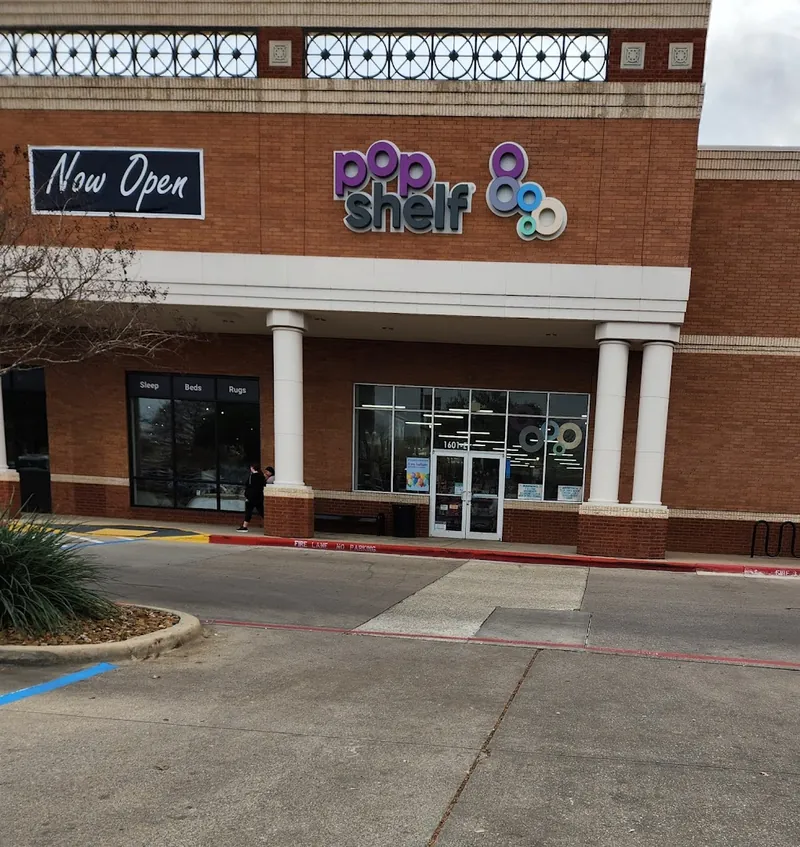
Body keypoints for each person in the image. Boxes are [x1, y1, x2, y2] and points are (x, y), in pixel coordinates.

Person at [237, 462, 267, 532]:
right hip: (259, 497)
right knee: (262, 511)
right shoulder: (261, 476)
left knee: (248, 512)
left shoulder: (251, 476)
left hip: (251, 497)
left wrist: (247, 495)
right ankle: (270, 524)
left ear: (252, 468)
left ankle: (244, 527)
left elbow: (248, 485)